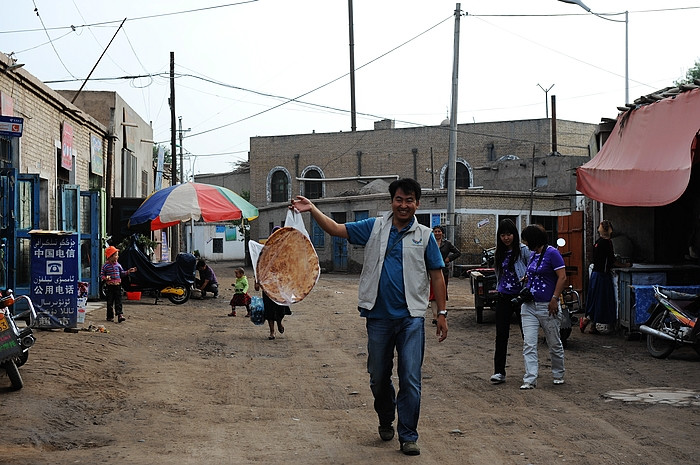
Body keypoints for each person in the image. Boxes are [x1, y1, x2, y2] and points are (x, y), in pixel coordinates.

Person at [291, 178, 447, 457]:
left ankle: (408, 435)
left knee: (410, 377)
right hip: (378, 317)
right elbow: (337, 229)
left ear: (417, 203)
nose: (404, 205)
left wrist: (442, 313)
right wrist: (313, 209)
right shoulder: (374, 227)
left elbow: (437, 274)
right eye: (399, 199)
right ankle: (386, 417)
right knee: (377, 376)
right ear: (392, 201)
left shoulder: (424, 235)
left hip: (412, 318)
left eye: (409, 200)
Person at [518, 225, 567, 390]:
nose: (524, 243)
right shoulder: (533, 255)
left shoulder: (552, 253)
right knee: (529, 343)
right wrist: (526, 278)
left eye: (526, 240)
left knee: (554, 342)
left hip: (547, 305)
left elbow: (562, 277)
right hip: (530, 305)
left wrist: (554, 298)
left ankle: (558, 373)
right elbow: (533, 273)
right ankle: (530, 378)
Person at [489, 219, 530, 385]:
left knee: (526, 335)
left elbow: (532, 269)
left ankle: (531, 371)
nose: (506, 238)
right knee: (501, 335)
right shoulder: (498, 252)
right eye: (503, 235)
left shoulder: (523, 251)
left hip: (521, 297)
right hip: (504, 297)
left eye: (509, 234)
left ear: (515, 234)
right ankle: (499, 372)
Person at [580, 220, 619, 334]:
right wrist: (625, 265)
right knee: (601, 300)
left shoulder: (598, 242)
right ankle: (587, 320)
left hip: (596, 274)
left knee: (595, 299)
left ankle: (593, 325)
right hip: (602, 275)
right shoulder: (607, 243)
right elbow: (612, 260)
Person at [429, 225, 461, 325]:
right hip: (431, 270)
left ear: (442, 233)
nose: (437, 233)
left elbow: (457, 252)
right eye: (435, 231)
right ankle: (435, 317)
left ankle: (440, 314)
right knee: (432, 293)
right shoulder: (429, 243)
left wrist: (449, 259)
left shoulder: (447, 244)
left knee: (441, 292)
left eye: (439, 231)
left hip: (443, 270)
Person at [100, 246, 136, 323]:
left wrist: (128, 271)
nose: (117, 256)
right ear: (110, 256)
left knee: (118, 301)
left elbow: (122, 273)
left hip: (118, 285)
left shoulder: (118, 265)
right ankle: (110, 316)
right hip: (110, 286)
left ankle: (120, 315)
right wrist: (106, 278)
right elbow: (101, 275)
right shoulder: (105, 266)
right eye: (116, 255)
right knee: (109, 302)